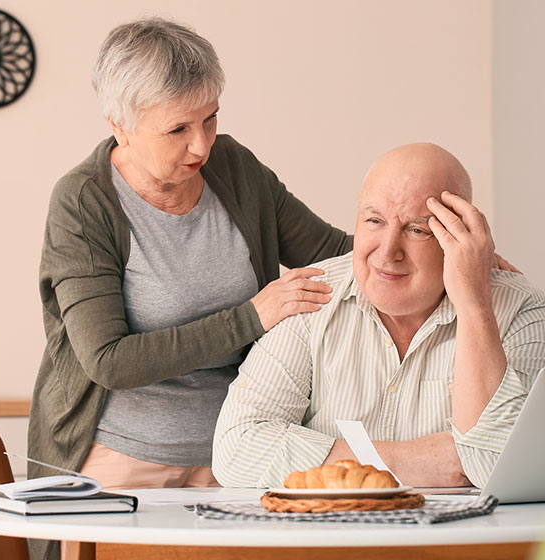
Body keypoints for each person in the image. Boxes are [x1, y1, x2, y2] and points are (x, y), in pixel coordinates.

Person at [27, 17, 352, 560]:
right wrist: (252, 317)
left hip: (237, 455)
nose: (201, 144)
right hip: (116, 464)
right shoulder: (83, 202)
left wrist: (437, 254)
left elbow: (337, 255)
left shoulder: (236, 169)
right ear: (120, 125)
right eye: (178, 129)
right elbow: (109, 360)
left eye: (211, 118)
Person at [212, 143, 545, 489]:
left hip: (458, 539)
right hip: (329, 537)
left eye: (417, 230)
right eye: (374, 220)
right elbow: (236, 453)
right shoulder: (309, 295)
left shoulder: (521, 310)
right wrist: (421, 463)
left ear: (459, 233)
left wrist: (474, 304)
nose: (387, 251)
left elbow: (499, 466)